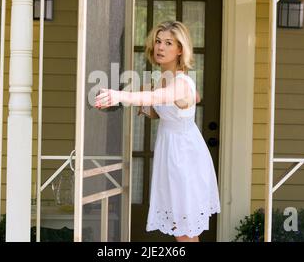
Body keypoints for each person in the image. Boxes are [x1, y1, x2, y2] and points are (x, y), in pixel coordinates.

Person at [94, 21, 220, 242]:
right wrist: (142, 105)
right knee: (177, 224)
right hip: (169, 152)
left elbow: (158, 98)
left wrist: (120, 96)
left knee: (185, 231)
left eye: (168, 43)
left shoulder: (181, 82)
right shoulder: (162, 79)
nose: (160, 47)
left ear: (180, 49)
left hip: (185, 157)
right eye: (158, 41)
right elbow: (160, 106)